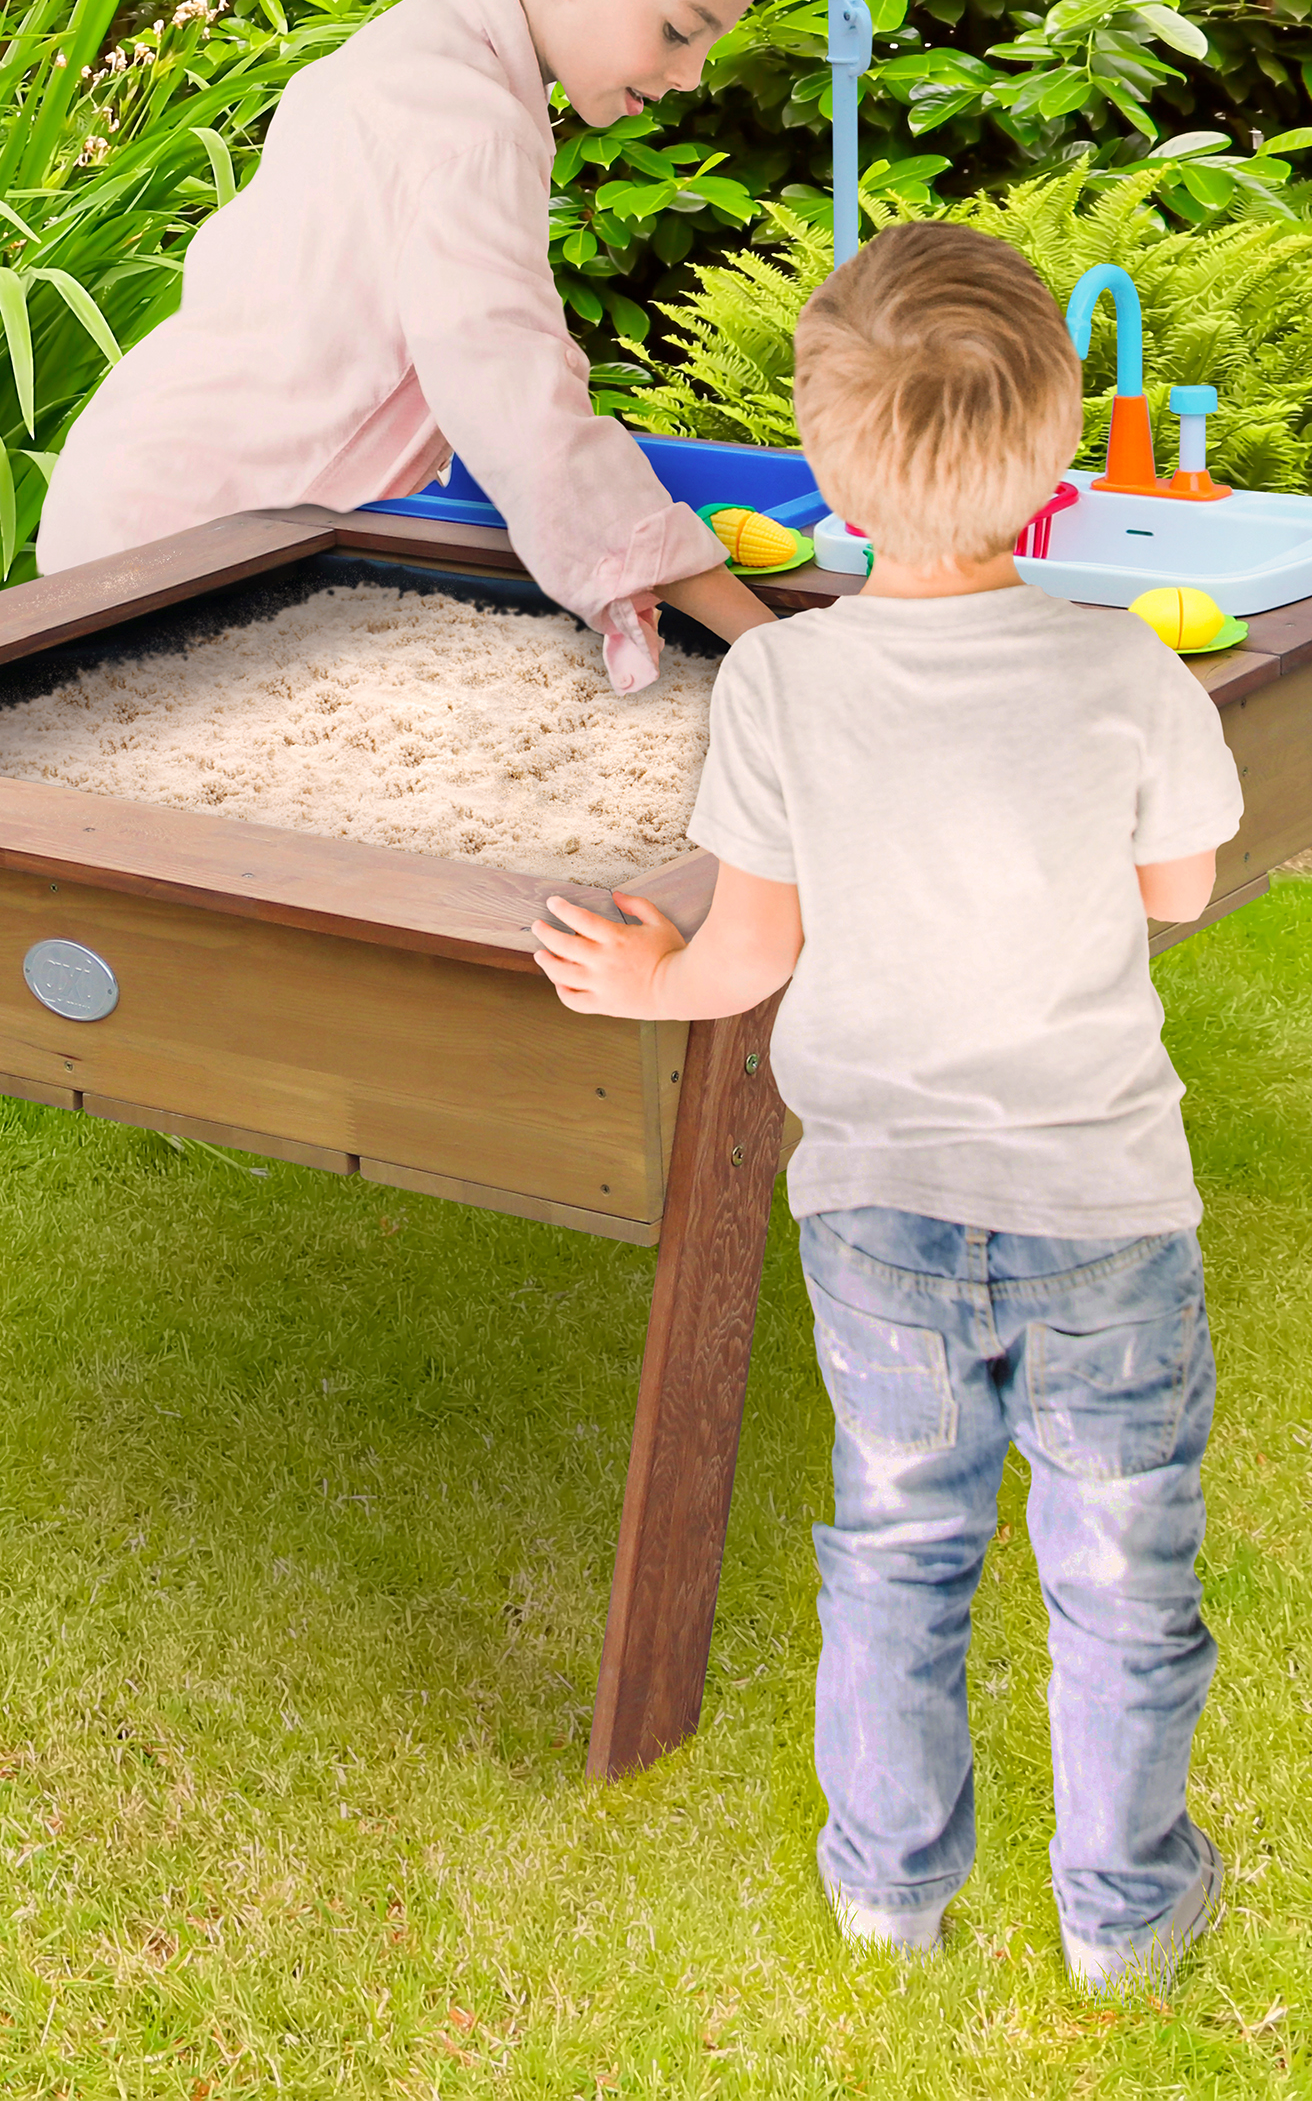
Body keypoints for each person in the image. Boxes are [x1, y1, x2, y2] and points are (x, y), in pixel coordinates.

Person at [530, 221, 1245, 1990]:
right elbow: (1181, 896)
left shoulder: (780, 678)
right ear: (1060, 465)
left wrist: (639, 979)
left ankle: (890, 1889)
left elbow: (738, 958)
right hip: (1103, 1209)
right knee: (1124, 1572)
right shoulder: (1129, 674)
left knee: (904, 1547)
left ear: (826, 469)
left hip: (881, 1216)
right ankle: (1125, 1918)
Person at [36, 0, 781, 685]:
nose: (690, 73)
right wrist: (764, 638)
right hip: (193, 539)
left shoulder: (422, 45)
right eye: (678, 30)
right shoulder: (471, 124)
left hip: (143, 493)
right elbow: (521, 409)